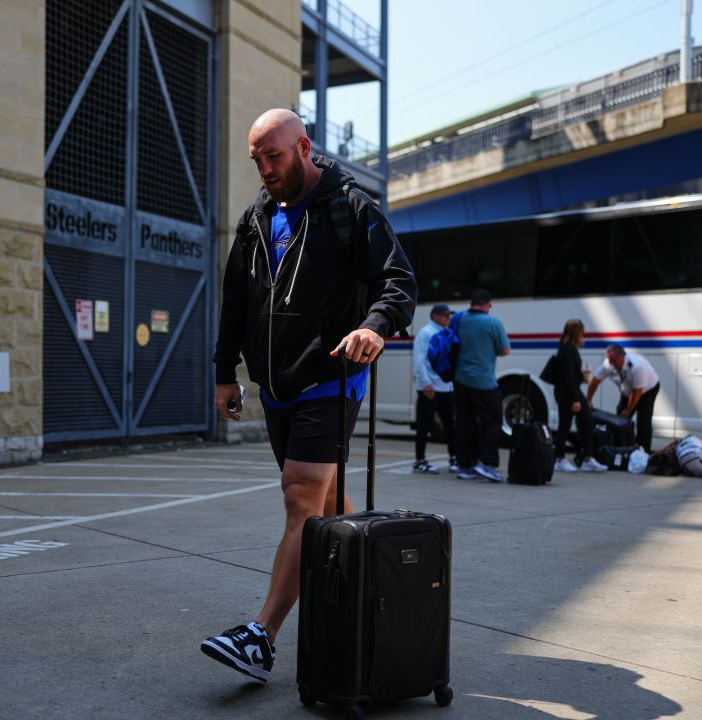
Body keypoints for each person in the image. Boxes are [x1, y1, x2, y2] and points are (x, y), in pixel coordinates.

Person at [203, 109, 417, 683]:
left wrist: (375, 324)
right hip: (276, 387)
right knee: (323, 507)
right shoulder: (255, 219)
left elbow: (398, 280)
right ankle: (385, 589)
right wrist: (226, 372)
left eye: (273, 156)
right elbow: (235, 303)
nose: (265, 169)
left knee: (300, 493)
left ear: (303, 147)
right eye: (257, 160)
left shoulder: (350, 208)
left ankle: (261, 636)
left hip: (331, 375)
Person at [453, 289, 511, 482]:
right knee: (494, 420)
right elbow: (504, 351)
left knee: (465, 422)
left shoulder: (460, 320)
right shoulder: (493, 323)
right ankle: (486, 463)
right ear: (487, 303)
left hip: (461, 379)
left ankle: (464, 465)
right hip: (484, 381)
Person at [552, 320, 608, 473]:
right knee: (567, 424)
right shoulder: (568, 351)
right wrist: (575, 399)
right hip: (568, 393)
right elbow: (568, 378)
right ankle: (561, 459)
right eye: (582, 332)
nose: (584, 335)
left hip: (568, 391)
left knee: (584, 421)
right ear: (577, 333)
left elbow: (568, 374)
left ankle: (586, 458)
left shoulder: (567, 349)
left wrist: (581, 374)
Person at [584, 344, 661, 452]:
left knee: (643, 421)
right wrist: (588, 400)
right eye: (609, 360)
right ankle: (619, 449)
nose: (611, 364)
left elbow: (637, 393)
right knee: (619, 419)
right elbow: (595, 382)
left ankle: (642, 452)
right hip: (628, 391)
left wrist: (628, 411)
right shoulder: (608, 364)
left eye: (613, 361)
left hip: (648, 390)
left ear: (622, 357)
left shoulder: (636, 366)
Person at [411, 304, 457, 473]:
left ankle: (454, 457)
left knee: (450, 424)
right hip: (430, 387)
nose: (448, 318)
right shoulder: (426, 333)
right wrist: (425, 384)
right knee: (424, 424)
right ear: (435, 316)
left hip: (445, 386)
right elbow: (419, 360)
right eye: (445, 316)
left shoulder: (447, 332)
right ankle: (420, 460)